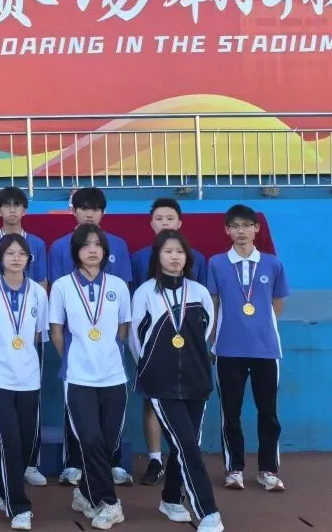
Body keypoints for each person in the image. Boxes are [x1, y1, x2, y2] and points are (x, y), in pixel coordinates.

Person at [130, 230, 224, 532]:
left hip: (196, 380)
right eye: (168, 251)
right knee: (187, 446)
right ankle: (208, 512)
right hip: (161, 382)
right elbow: (136, 339)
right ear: (157, 256)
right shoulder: (145, 293)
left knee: (187, 444)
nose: (174, 257)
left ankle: (171, 498)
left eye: (180, 252)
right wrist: (152, 368)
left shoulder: (199, 292)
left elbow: (206, 330)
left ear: (187, 257)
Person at [49, 187, 132, 488]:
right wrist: (71, 352)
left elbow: (123, 309)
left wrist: (114, 344)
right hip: (77, 347)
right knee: (76, 409)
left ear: (103, 212)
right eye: (83, 207)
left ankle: (113, 462)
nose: (89, 213)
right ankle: (73, 463)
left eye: (95, 208)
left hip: (108, 348)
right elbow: (57, 304)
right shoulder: (60, 247)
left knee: (112, 412)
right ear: (73, 211)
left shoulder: (118, 245)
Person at [207, 204, 290, 493]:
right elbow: (213, 304)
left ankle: (268, 470)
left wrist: (258, 327)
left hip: (266, 350)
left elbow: (277, 305)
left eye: (246, 225)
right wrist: (212, 342)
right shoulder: (217, 263)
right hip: (228, 350)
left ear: (256, 229)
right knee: (230, 413)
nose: (241, 231)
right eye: (235, 226)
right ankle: (234, 469)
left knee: (268, 412)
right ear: (227, 230)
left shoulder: (273, 264)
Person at [0, 233, 49, 531]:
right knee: (10, 442)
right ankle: (19, 506)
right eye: (10, 253)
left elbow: (38, 334)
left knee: (26, 443)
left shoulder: (39, 293)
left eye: (22, 254)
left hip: (28, 377)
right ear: (0, 258)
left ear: (29, 258)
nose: (16, 258)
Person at [129, 197, 206, 486]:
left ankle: (179, 462)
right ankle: (154, 459)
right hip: (154, 345)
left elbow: (203, 308)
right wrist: (143, 354)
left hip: (187, 347)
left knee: (185, 406)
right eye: (159, 219)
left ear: (179, 222)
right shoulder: (139, 258)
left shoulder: (195, 257)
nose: (164, 223)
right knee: (152, 402)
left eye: (169, 218)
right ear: (151, 223)